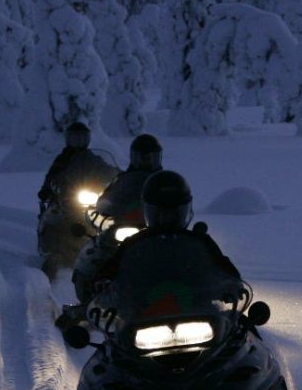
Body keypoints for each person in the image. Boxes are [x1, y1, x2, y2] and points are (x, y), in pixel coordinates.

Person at [86, 169, 245, 327]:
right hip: (140, 322)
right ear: (148, 211)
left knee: (241, 332)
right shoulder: (134, 245)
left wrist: (230, 285)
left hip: (199, 318)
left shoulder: (199, 242)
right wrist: (104, 287)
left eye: (174, 213)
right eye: (161, 213)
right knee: (109, 348)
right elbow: (107, 273)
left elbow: (226, 270)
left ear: (185, 210)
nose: (167, 219)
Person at [69, 133, 167, 303]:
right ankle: (90, 299)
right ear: (134, 157)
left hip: (157, 231)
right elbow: (106, 201)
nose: (148, 161)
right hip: (124, 229)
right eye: (143, 157)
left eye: (152, 157)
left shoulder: (165, 182)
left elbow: (179, 202)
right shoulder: (122, 181)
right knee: (98, 255)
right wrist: (102, 215)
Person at [36, 122, 118, 277]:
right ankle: (52, 252)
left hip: (90, 197)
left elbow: (108, 170)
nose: (78, 142)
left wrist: (119, 177)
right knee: (54, 217)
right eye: (75, 138)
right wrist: (48, 188)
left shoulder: (93, 158)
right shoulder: (62, 160)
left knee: (108, 220)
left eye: (82, 138)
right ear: (68, 139)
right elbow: (52, 177)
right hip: (67, 199)